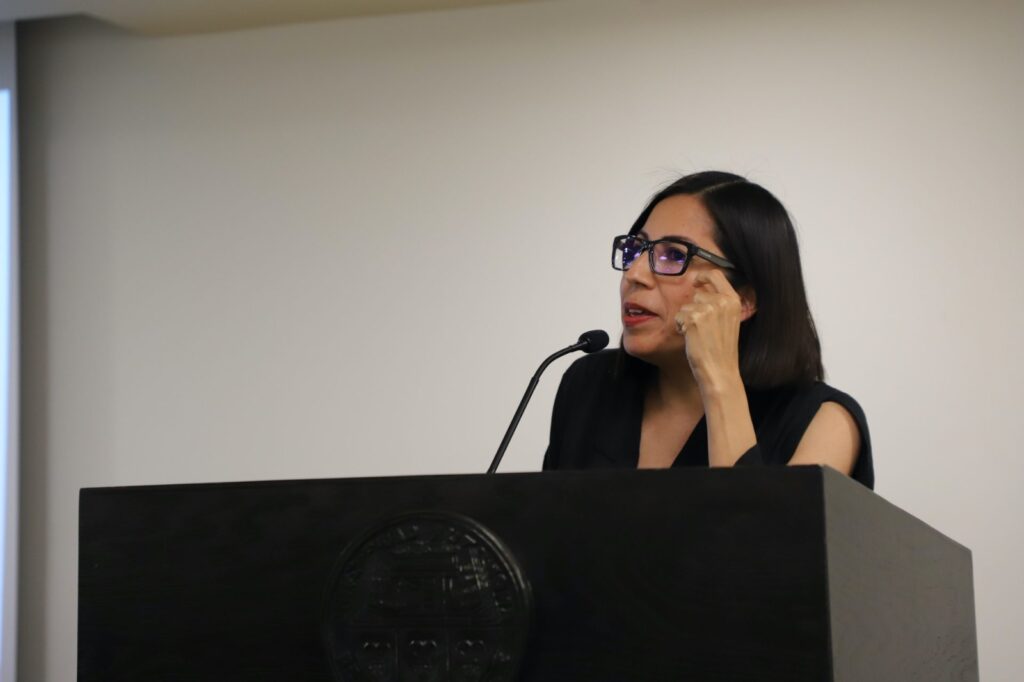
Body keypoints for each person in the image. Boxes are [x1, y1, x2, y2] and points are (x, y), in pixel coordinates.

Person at [543, 171, 874, 488]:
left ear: (744, 299)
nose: (634, 274)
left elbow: (752, 527)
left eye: (674, 255)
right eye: (637, 249)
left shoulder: (827, 423)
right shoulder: (589, 384)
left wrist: (719, 379)